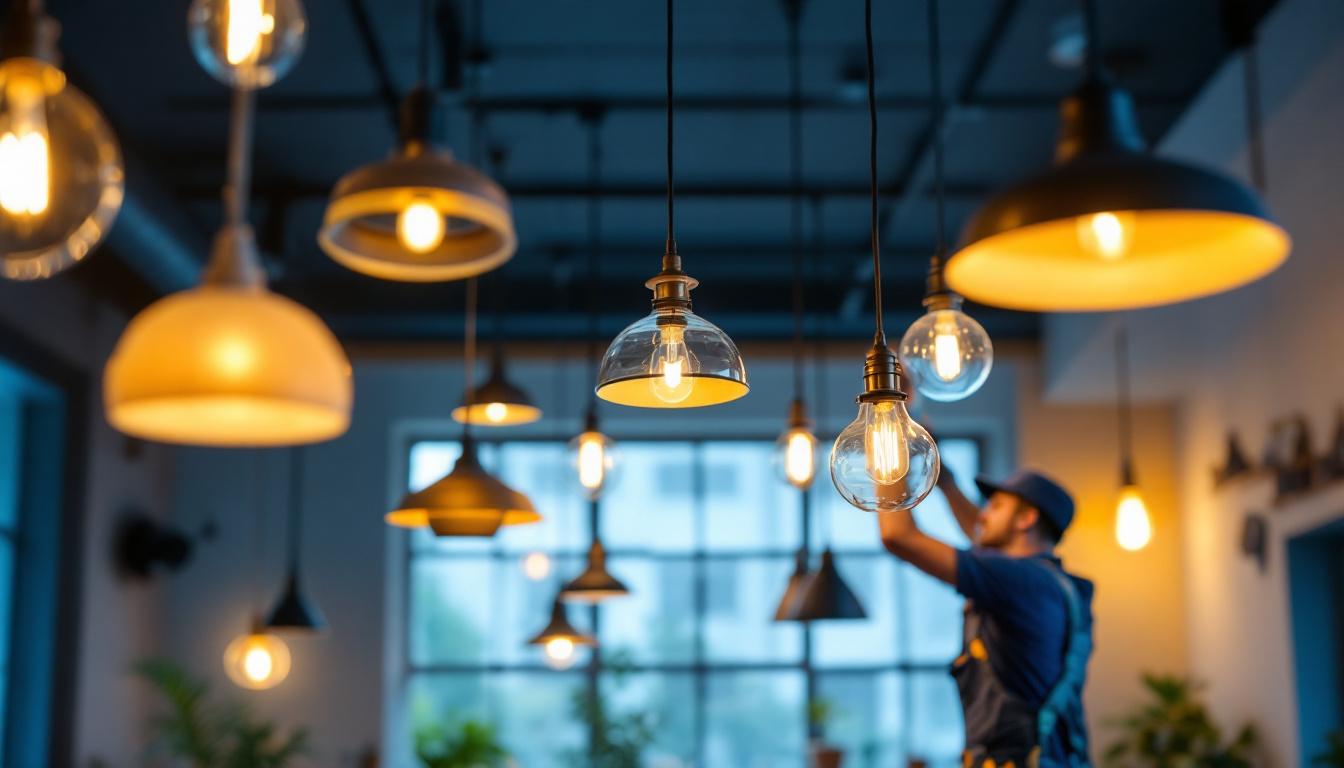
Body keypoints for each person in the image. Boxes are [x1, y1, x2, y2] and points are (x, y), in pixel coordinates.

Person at [878, 466, 1094, 768]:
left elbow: (898, 536)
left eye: (996, 506)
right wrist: (946, 482)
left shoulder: (1018, 581)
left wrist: (888, 460)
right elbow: (982, 538)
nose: (982, 515)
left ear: (1026, 519)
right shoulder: (1050, 583)